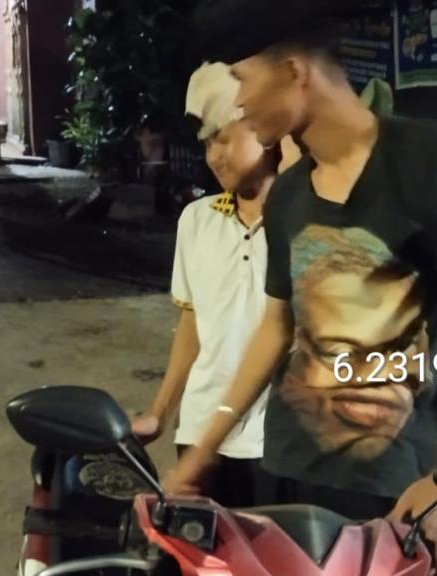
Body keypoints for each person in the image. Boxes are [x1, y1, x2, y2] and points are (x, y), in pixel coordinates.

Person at [169, 3, 437, 573]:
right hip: (287, 465)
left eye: (244, 80)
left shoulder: (433, 161)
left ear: (294, 72)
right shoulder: (289, 196)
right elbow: (275, 329)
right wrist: (207, 443)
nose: (240, 101)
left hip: (392, 479)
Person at [130, 62, 282, 508]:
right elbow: (193, 324)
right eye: (206, 142)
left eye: (224, 137)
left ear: (266, 131)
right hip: (199, 436)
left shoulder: (301, 223)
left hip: (273, 441)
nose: (214, 155)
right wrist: (160, 413)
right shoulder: (196, 220)